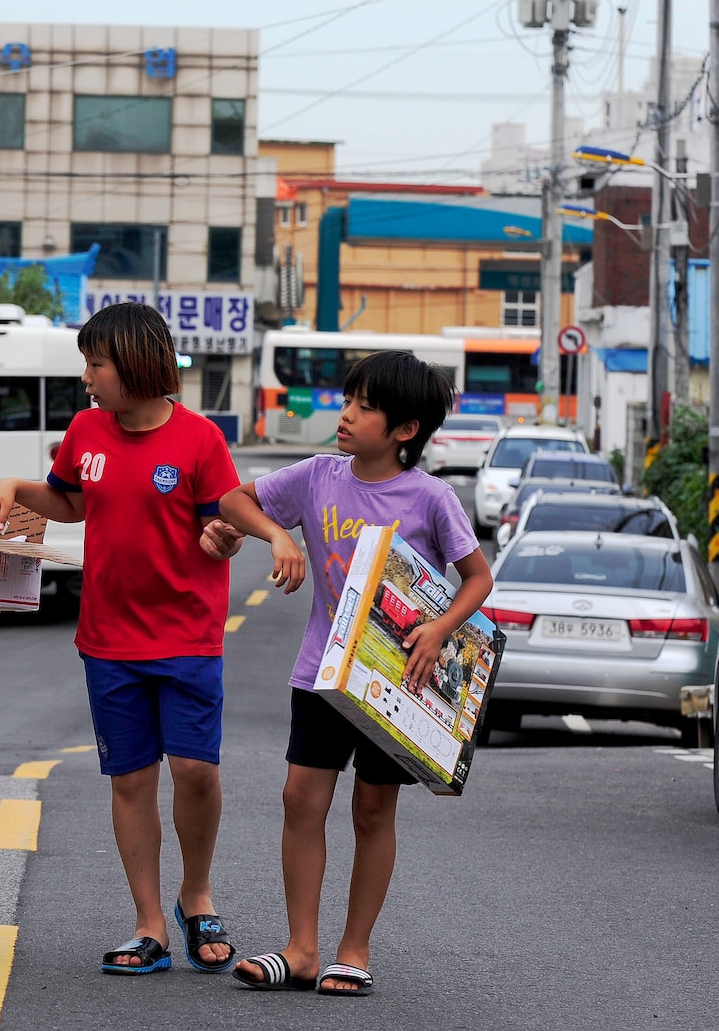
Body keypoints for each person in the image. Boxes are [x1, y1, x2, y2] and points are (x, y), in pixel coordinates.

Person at [200, 351, 493, 996]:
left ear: (405, 430)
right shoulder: (318, 477)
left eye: (364, 406)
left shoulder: (432, 497)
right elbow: (232, 498)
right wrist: (272, 536)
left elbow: (477, 578)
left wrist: (440, 629)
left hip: (395, 684)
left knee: (371, 807)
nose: (347, 414)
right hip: (319, 674)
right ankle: (300, 948)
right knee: (300, 800)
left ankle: (353, 949)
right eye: (348, 401)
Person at [0, 301, 240, 978]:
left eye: (96, 364)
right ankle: (149, 922)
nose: (87, 379)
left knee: (196, 772)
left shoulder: (202, 442)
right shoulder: (87, 430)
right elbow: (71, 501)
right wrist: (10, 487)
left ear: (137, 363)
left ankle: (196, 893)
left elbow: (227, 523)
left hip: (187, 636)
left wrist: (224, 534)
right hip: (109, 639)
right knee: (130, 780)